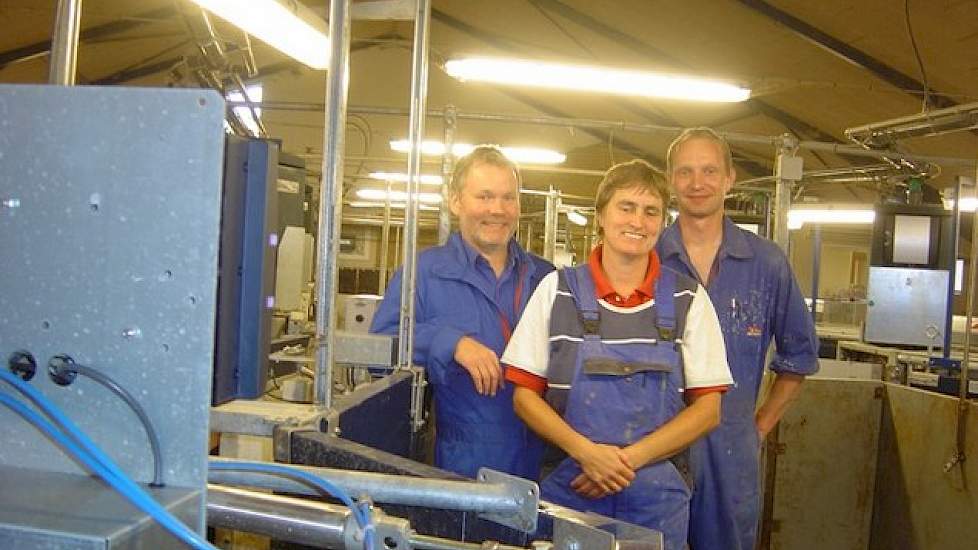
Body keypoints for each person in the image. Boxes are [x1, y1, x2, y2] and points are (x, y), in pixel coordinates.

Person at [502, 160, 733, 549]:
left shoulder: (688, 299)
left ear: (662, 222)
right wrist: (587, 454)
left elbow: (708, 410)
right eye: (626, 207)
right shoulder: (555, 291)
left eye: (651, 211)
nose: (637, 222)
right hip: (573, 489)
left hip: (655, 498)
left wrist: (625, 462)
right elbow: (525, 397)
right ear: (601, 217)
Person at [657, 127, 819, 550]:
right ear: (671, 180)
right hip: (652, 448)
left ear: (730, 179)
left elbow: (799, 356)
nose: (697, 183)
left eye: (710, 171)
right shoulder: (647, 256)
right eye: (686, 172)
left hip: (731, 455)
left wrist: (758, 427)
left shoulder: (766, 263)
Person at [370, 145, 553, 480]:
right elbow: (379, 346)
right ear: (456, 201)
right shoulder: (424, 272)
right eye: (484, 196)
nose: (497, 209)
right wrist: (451, 343)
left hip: (543, 462)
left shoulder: (545, 277)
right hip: (462, 463)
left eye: (508, 198)